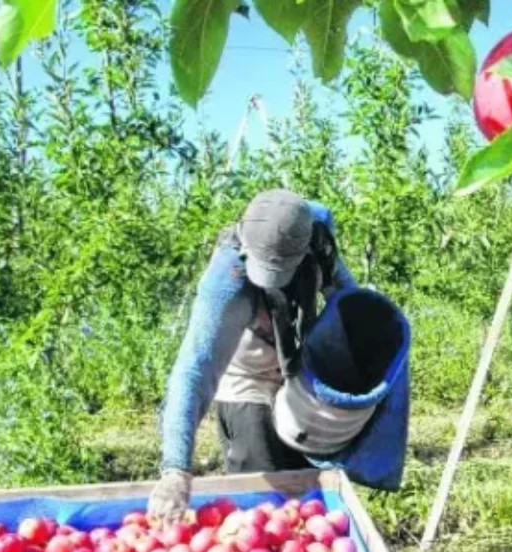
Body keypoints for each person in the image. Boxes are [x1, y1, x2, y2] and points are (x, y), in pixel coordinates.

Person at [147, 189, 410, 525]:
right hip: (247, 384)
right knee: (262, 511)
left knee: (305, 505)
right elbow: (195, 367)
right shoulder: (228, 279)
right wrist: (176, 469)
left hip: (296, 379)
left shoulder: (316, 238)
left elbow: (346, 297)